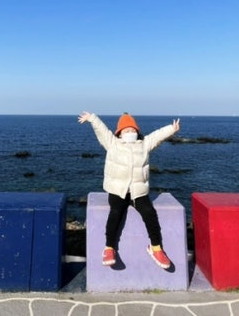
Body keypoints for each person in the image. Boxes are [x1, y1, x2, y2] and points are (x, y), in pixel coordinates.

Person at [78, 111, 181, 269]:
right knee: (115, 214)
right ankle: (109, 248)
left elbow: (157, 136)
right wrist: (92, 118)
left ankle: (156, 248)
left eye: (132, 130)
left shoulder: (144, 144)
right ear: (119, 133)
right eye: (126, 130)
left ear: (137, 131)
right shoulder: (112, 143)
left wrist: (171, 129)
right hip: (117, 190)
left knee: (149, 213)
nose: (130, 132)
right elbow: (102, 130)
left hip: (138, 191)